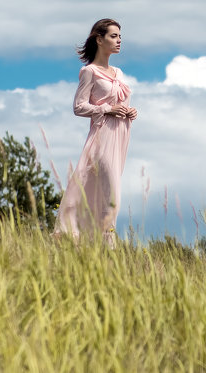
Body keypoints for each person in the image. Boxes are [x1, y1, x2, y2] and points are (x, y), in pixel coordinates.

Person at [54, 18, 138, 246]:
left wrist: (128, 111)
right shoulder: (88, 71)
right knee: (112, 198)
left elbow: (118, 101)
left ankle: (92, 248)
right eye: (113, 36)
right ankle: (107, 251)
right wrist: (108, 109)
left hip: (120, 137)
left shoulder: (118, 73)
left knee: (105, 194)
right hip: (102, 139)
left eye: (120, 36)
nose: (119, 41)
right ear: (99, 39)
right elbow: (78, 107)